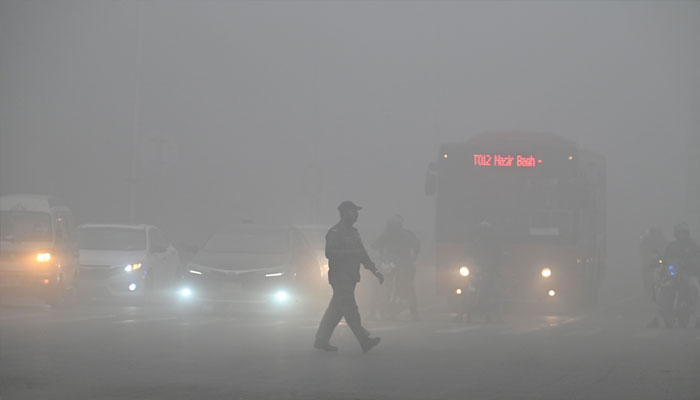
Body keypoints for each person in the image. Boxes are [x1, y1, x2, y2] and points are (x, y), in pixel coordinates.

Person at [314, 201, 384, 352]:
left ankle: (321, 340)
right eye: (353, 212)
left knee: (336, 310)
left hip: (351, 276)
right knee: (350, 309)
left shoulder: (354, 232)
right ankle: (364, 340)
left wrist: (375, 271)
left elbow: (363, 254)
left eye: (356, 212)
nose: (356, 215)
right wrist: (350, 253)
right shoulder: (335, 232)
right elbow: (329, 253)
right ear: (344, 213)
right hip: (340, 277)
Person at [370, 214, 421, 321]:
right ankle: (413, 313)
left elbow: (374, 245)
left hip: (396, 265)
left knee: (384, 287)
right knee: (406, 288)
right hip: (400, 265)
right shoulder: (405, 234)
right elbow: (417, 246)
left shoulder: (389, 234)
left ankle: (376, 312)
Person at [649, 223, 700, 328]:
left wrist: (690, 264)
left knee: (695, 289)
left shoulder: (693, 246)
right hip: (674, 275)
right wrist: (661, 262)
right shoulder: (672, 246)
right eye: (680, 233)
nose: (682, 235)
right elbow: (665, 259)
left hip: (689, 275)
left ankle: (698, 317)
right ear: (676, 234)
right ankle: (657, 317)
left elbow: (697, 259)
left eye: (684, 233)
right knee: (661, 290)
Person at [639, 226, 667, 299]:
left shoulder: (662, 239)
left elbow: (665, 248)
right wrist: (645, 256)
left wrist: (663, 257)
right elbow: (642, 248)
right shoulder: (646, 240)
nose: (655, 234)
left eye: (656, 232)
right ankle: (646, 287)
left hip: (659, 259)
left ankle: (663, 285)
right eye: (653, 232)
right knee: (646, 270)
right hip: (649, 259)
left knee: (663, 269)